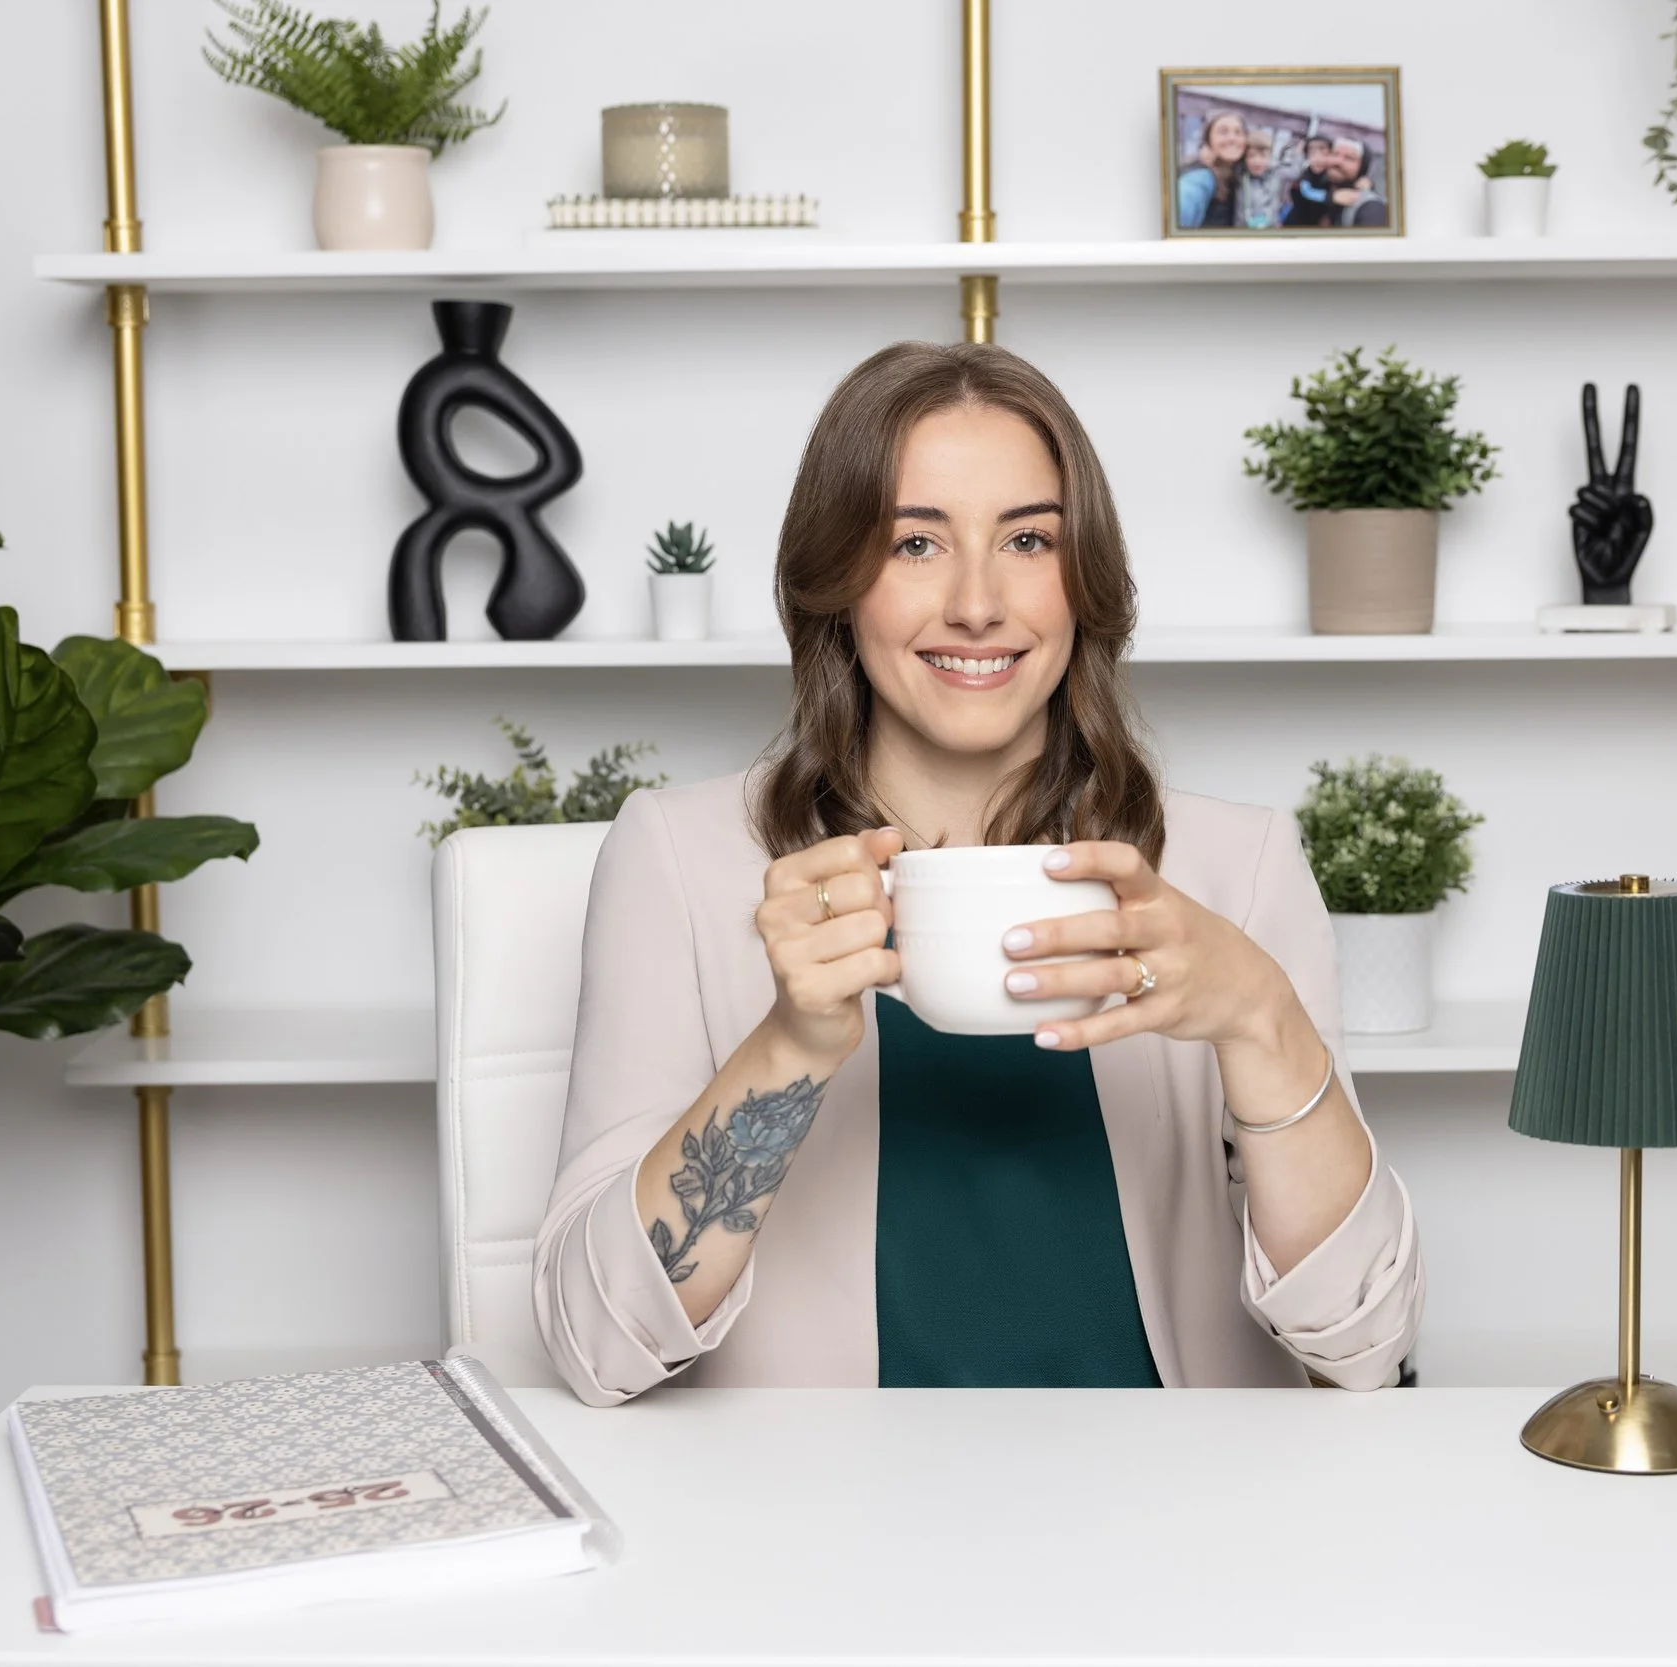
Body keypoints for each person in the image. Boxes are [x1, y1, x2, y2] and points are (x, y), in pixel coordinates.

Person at [532, 343, 1423, 1403]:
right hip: (821, 1532)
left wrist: (1259, 1017)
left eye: (1029, 539)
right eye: (915, 542)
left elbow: (1366, 1345)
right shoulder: (677, 859)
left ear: (1083, 578)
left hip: (1178, 1525)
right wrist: (791, 1044)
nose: (976, 604)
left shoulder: (1236, 869)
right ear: (835, 584)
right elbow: (600, 1347)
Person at [1283, 135, 1384, 229]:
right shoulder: (1315, 181)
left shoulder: (1368, 207)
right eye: (1335, 154)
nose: (1337, 161)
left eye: (1349, 158)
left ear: (1362, 168)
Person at [1173, 109, 1248, 229]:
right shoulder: (1199, 178)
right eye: (1223, 132)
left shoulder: (1239, 176)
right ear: (1208, 140)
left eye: (1238, 132)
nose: (1232, 138)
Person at [1233, 127, 1288, 230]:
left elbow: (1294, 170)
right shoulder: (1239, 176)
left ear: (1270, 157)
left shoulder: (1275, 175)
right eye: (1251, 156)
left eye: (1263, 156)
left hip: (1269, 229)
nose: (1257, 161)